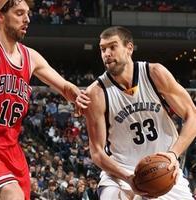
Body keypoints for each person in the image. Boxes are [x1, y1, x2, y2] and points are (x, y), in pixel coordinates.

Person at [0, 0, 89, 200]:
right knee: (11, 193)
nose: (27, 19)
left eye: (28, 13)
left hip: (10, 148)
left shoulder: (30, 57)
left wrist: (76, 95)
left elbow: (65, 87)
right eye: (19, 13)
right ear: (0, 15)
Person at [81, 26, 196, 199]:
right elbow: (97, 152)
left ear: (129, 48)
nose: (107, 53)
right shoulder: (96, 93)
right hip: (120, 174)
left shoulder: (154, 73)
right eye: (103, 49)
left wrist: (173, 154)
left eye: (113, 47)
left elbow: (192, 115)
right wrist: (128, 178)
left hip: (164, 169)